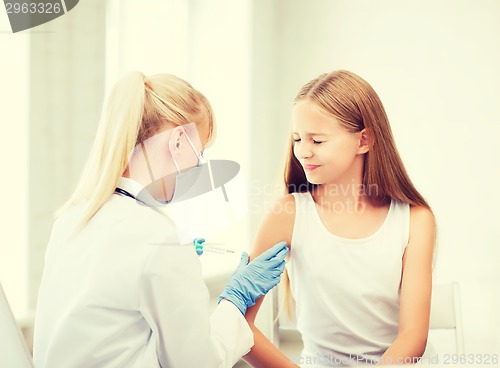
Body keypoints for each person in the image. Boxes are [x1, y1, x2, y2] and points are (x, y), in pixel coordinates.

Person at [32, 71, 289, 368]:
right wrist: (235, 299)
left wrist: (170, 265)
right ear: (179, 141)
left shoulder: (72, 218)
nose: (200, 166)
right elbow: (196, 363)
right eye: (201, 152)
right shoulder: (159, 237)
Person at [243, 70, 436, 367]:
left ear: (364, 141)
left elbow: (413, 337)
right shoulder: (287, 215)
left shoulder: (416, 220)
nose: (303, 152)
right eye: (297, 138)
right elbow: (238, 325)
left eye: (317, 141)